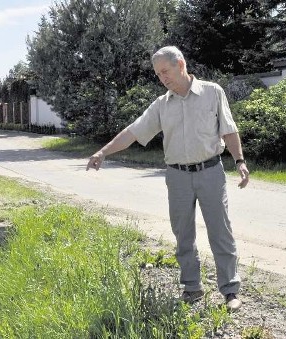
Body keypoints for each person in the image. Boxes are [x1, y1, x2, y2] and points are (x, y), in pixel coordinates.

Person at [86, 46, 249, 312]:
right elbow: (133, 131)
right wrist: (103, 151)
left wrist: (240, 161)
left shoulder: (212, 92)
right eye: (158, 74)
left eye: (166, 71)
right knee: (183, 234)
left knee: (221, 232)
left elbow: (229, 129)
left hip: (211, 172)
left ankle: (230, 291)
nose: (162, 78)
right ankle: (192, 288)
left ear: (181, 64)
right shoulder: (161, 105)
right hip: (177, 176)